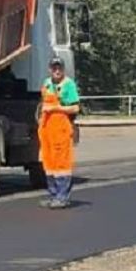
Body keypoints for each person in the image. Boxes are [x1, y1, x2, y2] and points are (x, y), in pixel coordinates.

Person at [38, 56, 80, 209]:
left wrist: (56, 108)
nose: (57, 71)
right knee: (49, 164)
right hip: (47, 130)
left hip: (61, 130)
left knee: (61, 164)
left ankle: (62, 197)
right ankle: (54, 195)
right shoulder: (47, 83)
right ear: (50, 69)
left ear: (63, 69)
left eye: (59, 68)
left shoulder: (69, 85)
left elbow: (75, 108)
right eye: (54, 68)